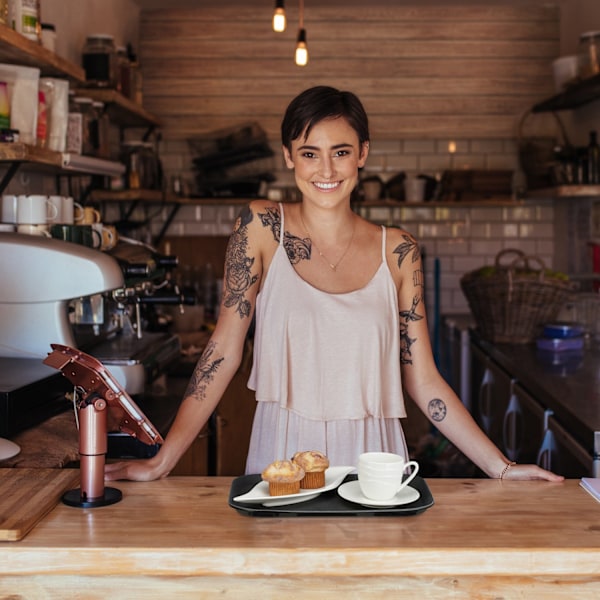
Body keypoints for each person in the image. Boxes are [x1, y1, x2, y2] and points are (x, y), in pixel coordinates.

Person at [105, 86, 563, 483]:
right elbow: (222, 350)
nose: (326, 169)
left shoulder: (399, 251)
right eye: (309, 153)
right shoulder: (262, 226)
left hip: (375, 459)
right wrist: (164, 459)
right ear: (289, 157)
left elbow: (423, 379)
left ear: (363, 153)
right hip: (282, 454)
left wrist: (500, 467)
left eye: (341, 151)